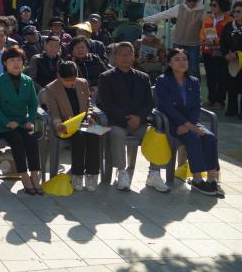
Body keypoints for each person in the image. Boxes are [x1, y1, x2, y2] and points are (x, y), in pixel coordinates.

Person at [96, 42, 167, 193]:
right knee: (117, 134)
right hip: (116, 122)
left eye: (129, 54)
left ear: (134, 56)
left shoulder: (143, 77)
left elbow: (149, 102)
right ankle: (122, 172)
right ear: (115, 57)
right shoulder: (106, 77)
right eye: (122, 54)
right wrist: (126, 118)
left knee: (156, 134)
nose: (126, 58)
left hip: (139, 122)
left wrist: (139, 117)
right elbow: (106, 103)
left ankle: (154, 173)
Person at [155, 48, 222, 196]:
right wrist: (189, 126)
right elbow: (167, 108)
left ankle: (212, 179)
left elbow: (196, 106)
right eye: (177, 59)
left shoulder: (194, 81)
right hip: (171, 123)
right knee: (193, 138)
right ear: (170, 63)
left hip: (191, 122)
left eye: (184, 59)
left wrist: (190, 125)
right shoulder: (163, 80)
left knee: (209, 137)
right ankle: (197, 179)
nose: (181, 62)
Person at [0, 46, 43, 195]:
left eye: (19, 60)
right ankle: (23, 175)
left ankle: (34, 174)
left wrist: (30, 120)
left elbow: (33, 104)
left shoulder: (28, 80)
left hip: (22, 121)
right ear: (5, 63)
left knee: (31, 138)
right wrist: (6, 122)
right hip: (4, 125)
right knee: (17, 139)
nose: (16, 63)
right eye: (12, 60)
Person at [44, 61, 101, 191]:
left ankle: (92, 174)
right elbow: (54, 112)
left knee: (96, 134)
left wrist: (90, 116)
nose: (70, 83)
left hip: (84, 122)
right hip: (66, 126)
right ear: (59, 76)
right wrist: (58, 125)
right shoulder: (51, 89)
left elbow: (89, 104)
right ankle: (77, 174)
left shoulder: (82, 83)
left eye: (73, 79)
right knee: (79, 136)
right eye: (67, 80)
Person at [143, 0, 206, 78]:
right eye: (189, 0)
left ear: (198, 0)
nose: (192, 3)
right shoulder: (179, 8)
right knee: (174, 66)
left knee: (194, 68)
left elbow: (206, 27)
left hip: (193, 44)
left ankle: (195, 89)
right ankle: (173, 84)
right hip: (178, 42)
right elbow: (162, 14)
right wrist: (146, 19)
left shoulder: (202, 11)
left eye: (194, 0)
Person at [201, 0, 232, 110]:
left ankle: (220, 100)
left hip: (221, 52)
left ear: (222, 6)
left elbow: (229, 36)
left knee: (221, 76)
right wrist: (205, 41)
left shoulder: (229, 20)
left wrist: (219, 42)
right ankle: (211, 99)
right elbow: (202, 32)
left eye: (214, 5)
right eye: (211, 4)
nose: (212, 7)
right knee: (210, 76)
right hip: (207, 51)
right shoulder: (208, 17)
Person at [220, 1, 242, 116]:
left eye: (239, 11)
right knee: (231, 86)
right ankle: (232, 110)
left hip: (241, 60)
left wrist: (237, 54)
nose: (236, 14)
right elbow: (222, 42)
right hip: (230, 62)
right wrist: (225, 54)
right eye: (235, 11)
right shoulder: (229, 26)